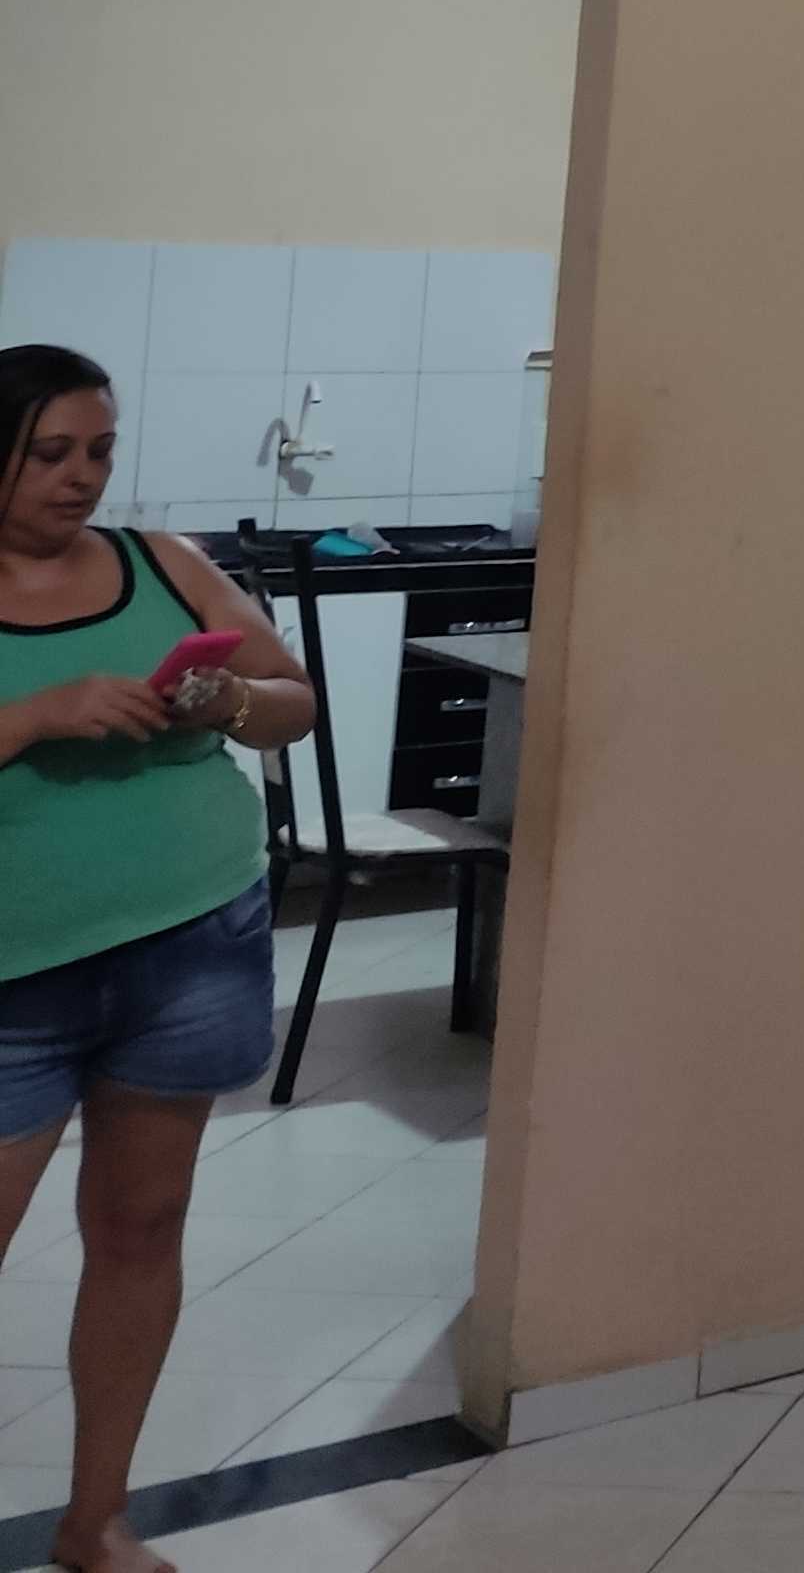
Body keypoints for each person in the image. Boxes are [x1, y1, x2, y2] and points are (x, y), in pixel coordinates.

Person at [1, 345, 319, 1573]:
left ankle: (97, 1520)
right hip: (16, 977)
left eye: (100, 451)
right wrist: (35, 714)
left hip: (190, 947)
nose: (81, 478)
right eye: (50, 454)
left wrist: (223, 703)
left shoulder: (163, 563)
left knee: (141, 1226)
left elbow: (290, 696)